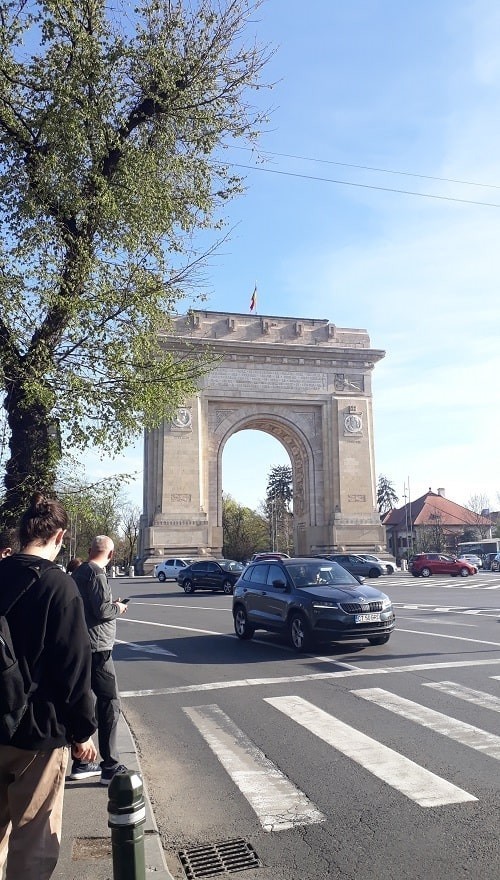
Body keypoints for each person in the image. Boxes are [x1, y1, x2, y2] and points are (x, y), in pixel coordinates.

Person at [0, 493, 97, 880]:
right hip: (38, 735)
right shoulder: (60, 587)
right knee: (34, 843)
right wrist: (83, 732)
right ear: (60, 536)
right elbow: (74, 670)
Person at [71, 535, 128, 785]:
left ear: (89, 549)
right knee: (109, 704)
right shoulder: (96, 574)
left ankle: (82, 761)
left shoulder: (80, 572)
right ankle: (110, 765)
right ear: (111, 554)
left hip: (83, 645)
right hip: (98, 648)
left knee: (86, 700)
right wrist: (119, 608)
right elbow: (103, 610)